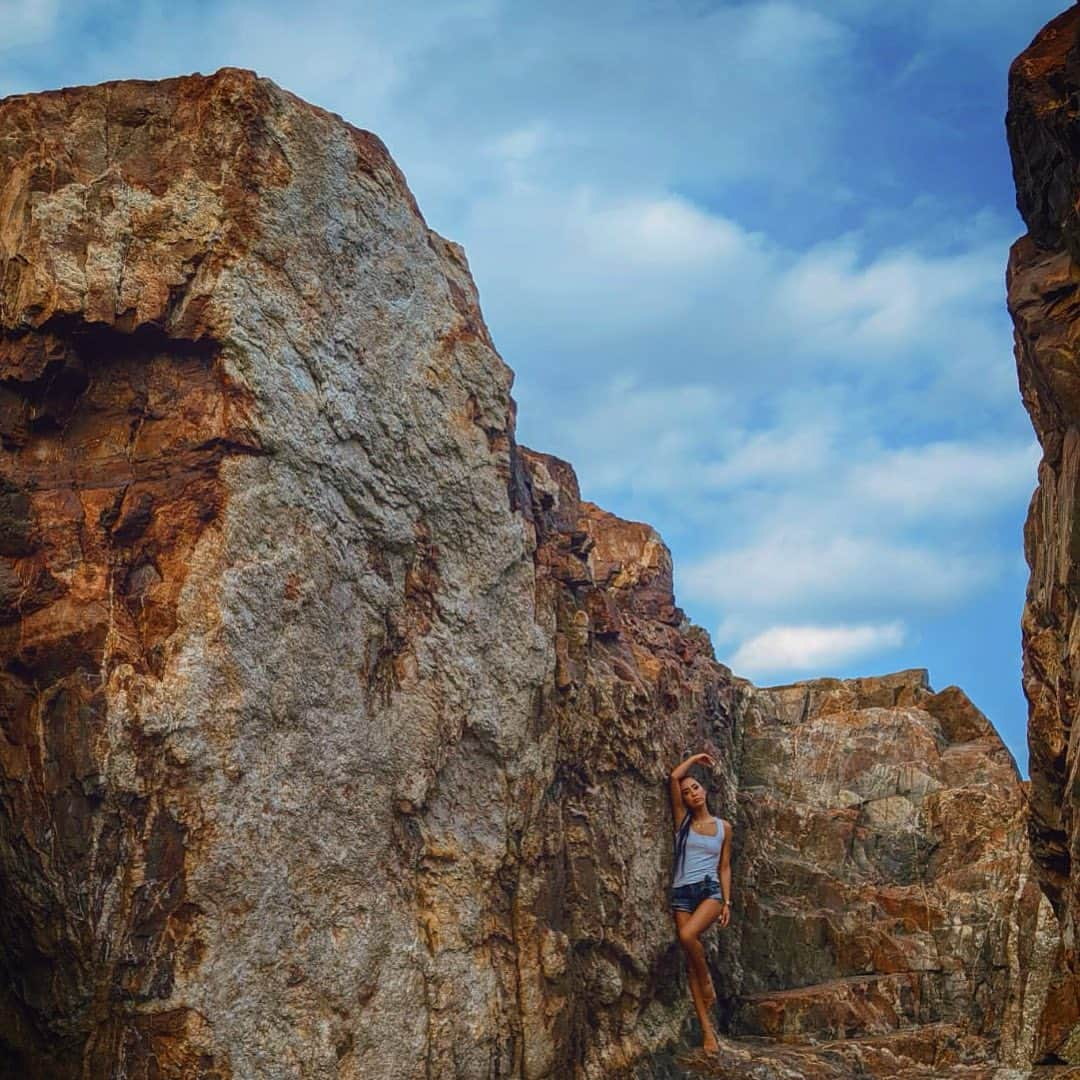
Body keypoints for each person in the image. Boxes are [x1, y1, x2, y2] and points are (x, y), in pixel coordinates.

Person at [668, 750, 732, 1053]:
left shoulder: (724, 827)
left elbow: (724, 867)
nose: (691, 793)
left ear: (704, 791)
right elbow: (673, 777)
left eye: (695, 787)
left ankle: (707, 981)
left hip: (710, 892)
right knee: (690, 964)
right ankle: (708, 1034)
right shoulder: (683, 823)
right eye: (687, 792)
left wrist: (727, 901)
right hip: (682, 892)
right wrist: (695, 758)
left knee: (687, 936)